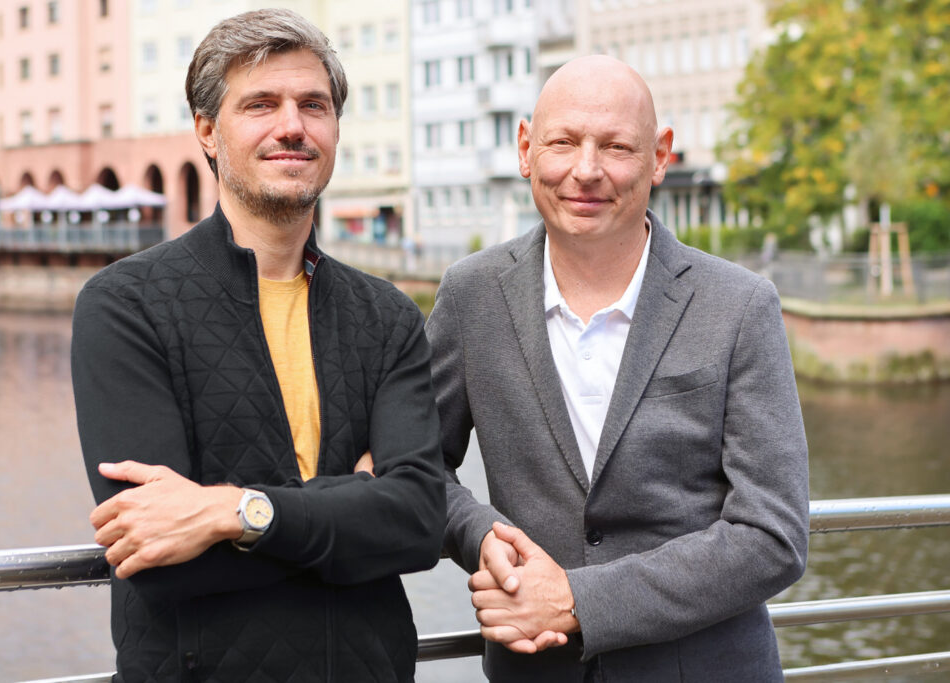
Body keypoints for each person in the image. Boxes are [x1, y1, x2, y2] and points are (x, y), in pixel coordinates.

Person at [71, 9, 445, 682]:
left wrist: (229, 511)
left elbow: (417, 523)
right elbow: (157, 560)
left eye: (313, 105)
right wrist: (357, 503)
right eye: (260, 104)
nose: (292, 126)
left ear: (335, 128)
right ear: (207, 132)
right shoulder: (127, 306)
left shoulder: (387, 316)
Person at [426, 55, 809, 682]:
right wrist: (484, 538)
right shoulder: (472, 296)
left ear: (659, 156)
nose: (586, 170)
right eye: (563, 142)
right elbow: (416, 464)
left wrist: (578, 600)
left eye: (616, 146)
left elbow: (773, 535)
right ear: (525, 149)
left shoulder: (740, 306)